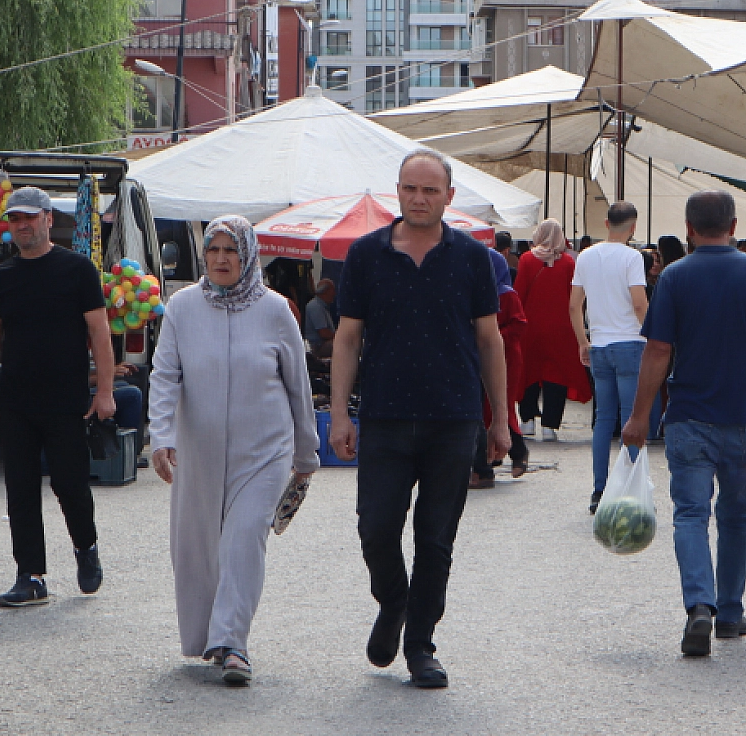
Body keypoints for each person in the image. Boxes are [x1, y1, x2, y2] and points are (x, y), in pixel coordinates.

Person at [328, 149, 510, 690]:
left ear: (448, 197)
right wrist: (340, 414)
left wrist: (500, 420)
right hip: (384, 416)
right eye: (411, 188)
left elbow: (490, 338)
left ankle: (421, 646)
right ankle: (393, 599)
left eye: (431, 190)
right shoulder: (366, 255)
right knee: (375, 527)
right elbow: (347, 337)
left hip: (453, 420)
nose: (419, 198)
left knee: (435, 539)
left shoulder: (473, 259)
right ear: (398, 191)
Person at [621, 190, 746, 656]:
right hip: (745, 419)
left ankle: (698, 606)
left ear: (688, 229)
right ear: (733, 225)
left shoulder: (673, 277)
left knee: (690, 514)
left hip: (688, 417)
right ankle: (729, 612)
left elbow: (658, 351)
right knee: (734, 517)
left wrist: (640, 414)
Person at [147, 218, 321, 686]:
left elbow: (297, 387)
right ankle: (208, 636)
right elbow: (164, 376)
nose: (222, 259)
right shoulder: (182, 308)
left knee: (243, 538)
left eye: (232, 250)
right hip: (198, 452)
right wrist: (160, 436)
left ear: (248, 256)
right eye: (214, 250)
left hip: (263, 451)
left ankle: (233, 643)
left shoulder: (275, 311)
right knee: (200, 547)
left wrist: (306, 454)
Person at [0, 186, 115, 610]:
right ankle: (30, 575)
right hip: (14, 400)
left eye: (30, 218)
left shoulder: (78, 270)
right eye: (15, 219)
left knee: (70, 485)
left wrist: (104, 390)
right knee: (20, 489)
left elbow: (100, 334)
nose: (22, 225)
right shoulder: (2, 278)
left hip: (66, 399)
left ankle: (85, 548)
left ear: (49, 219)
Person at [570, 201, 649, 515]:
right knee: (632, 417)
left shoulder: (586, 256)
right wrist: (654, 335)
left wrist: (582, 341)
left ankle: (599, 488)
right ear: (633, 227)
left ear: (606, 223)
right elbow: (640, 303)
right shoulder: (632, 257)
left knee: (603, 418)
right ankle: (628, 486)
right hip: (630, 341)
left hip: (599, 343)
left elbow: (574, 305)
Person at [515, 219, 590, 441]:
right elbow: (575, 298)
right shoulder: (568, 263)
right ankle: (550, 425)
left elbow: (518, 293)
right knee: (555, 375)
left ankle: (527, 421)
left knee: (528, 371)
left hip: (531, 326)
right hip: (561, 328)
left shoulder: (527, 260)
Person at [471, 246, 530, 488]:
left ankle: (515, 453)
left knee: (500, 406)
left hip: (506, 357)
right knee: (488, 407)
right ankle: (495, 456)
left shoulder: (507, 295)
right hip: (482, 355)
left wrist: (492, 337)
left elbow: (519, 325)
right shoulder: (477, 294)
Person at [304, 278, 337, 362]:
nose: (334, 294)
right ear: (326, 291)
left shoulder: (322, 306)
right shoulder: (316, 307)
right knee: (345, 345)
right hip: (317, 346)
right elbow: (324, 333)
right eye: (333, 290)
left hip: (320, 344)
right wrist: (340, 338)